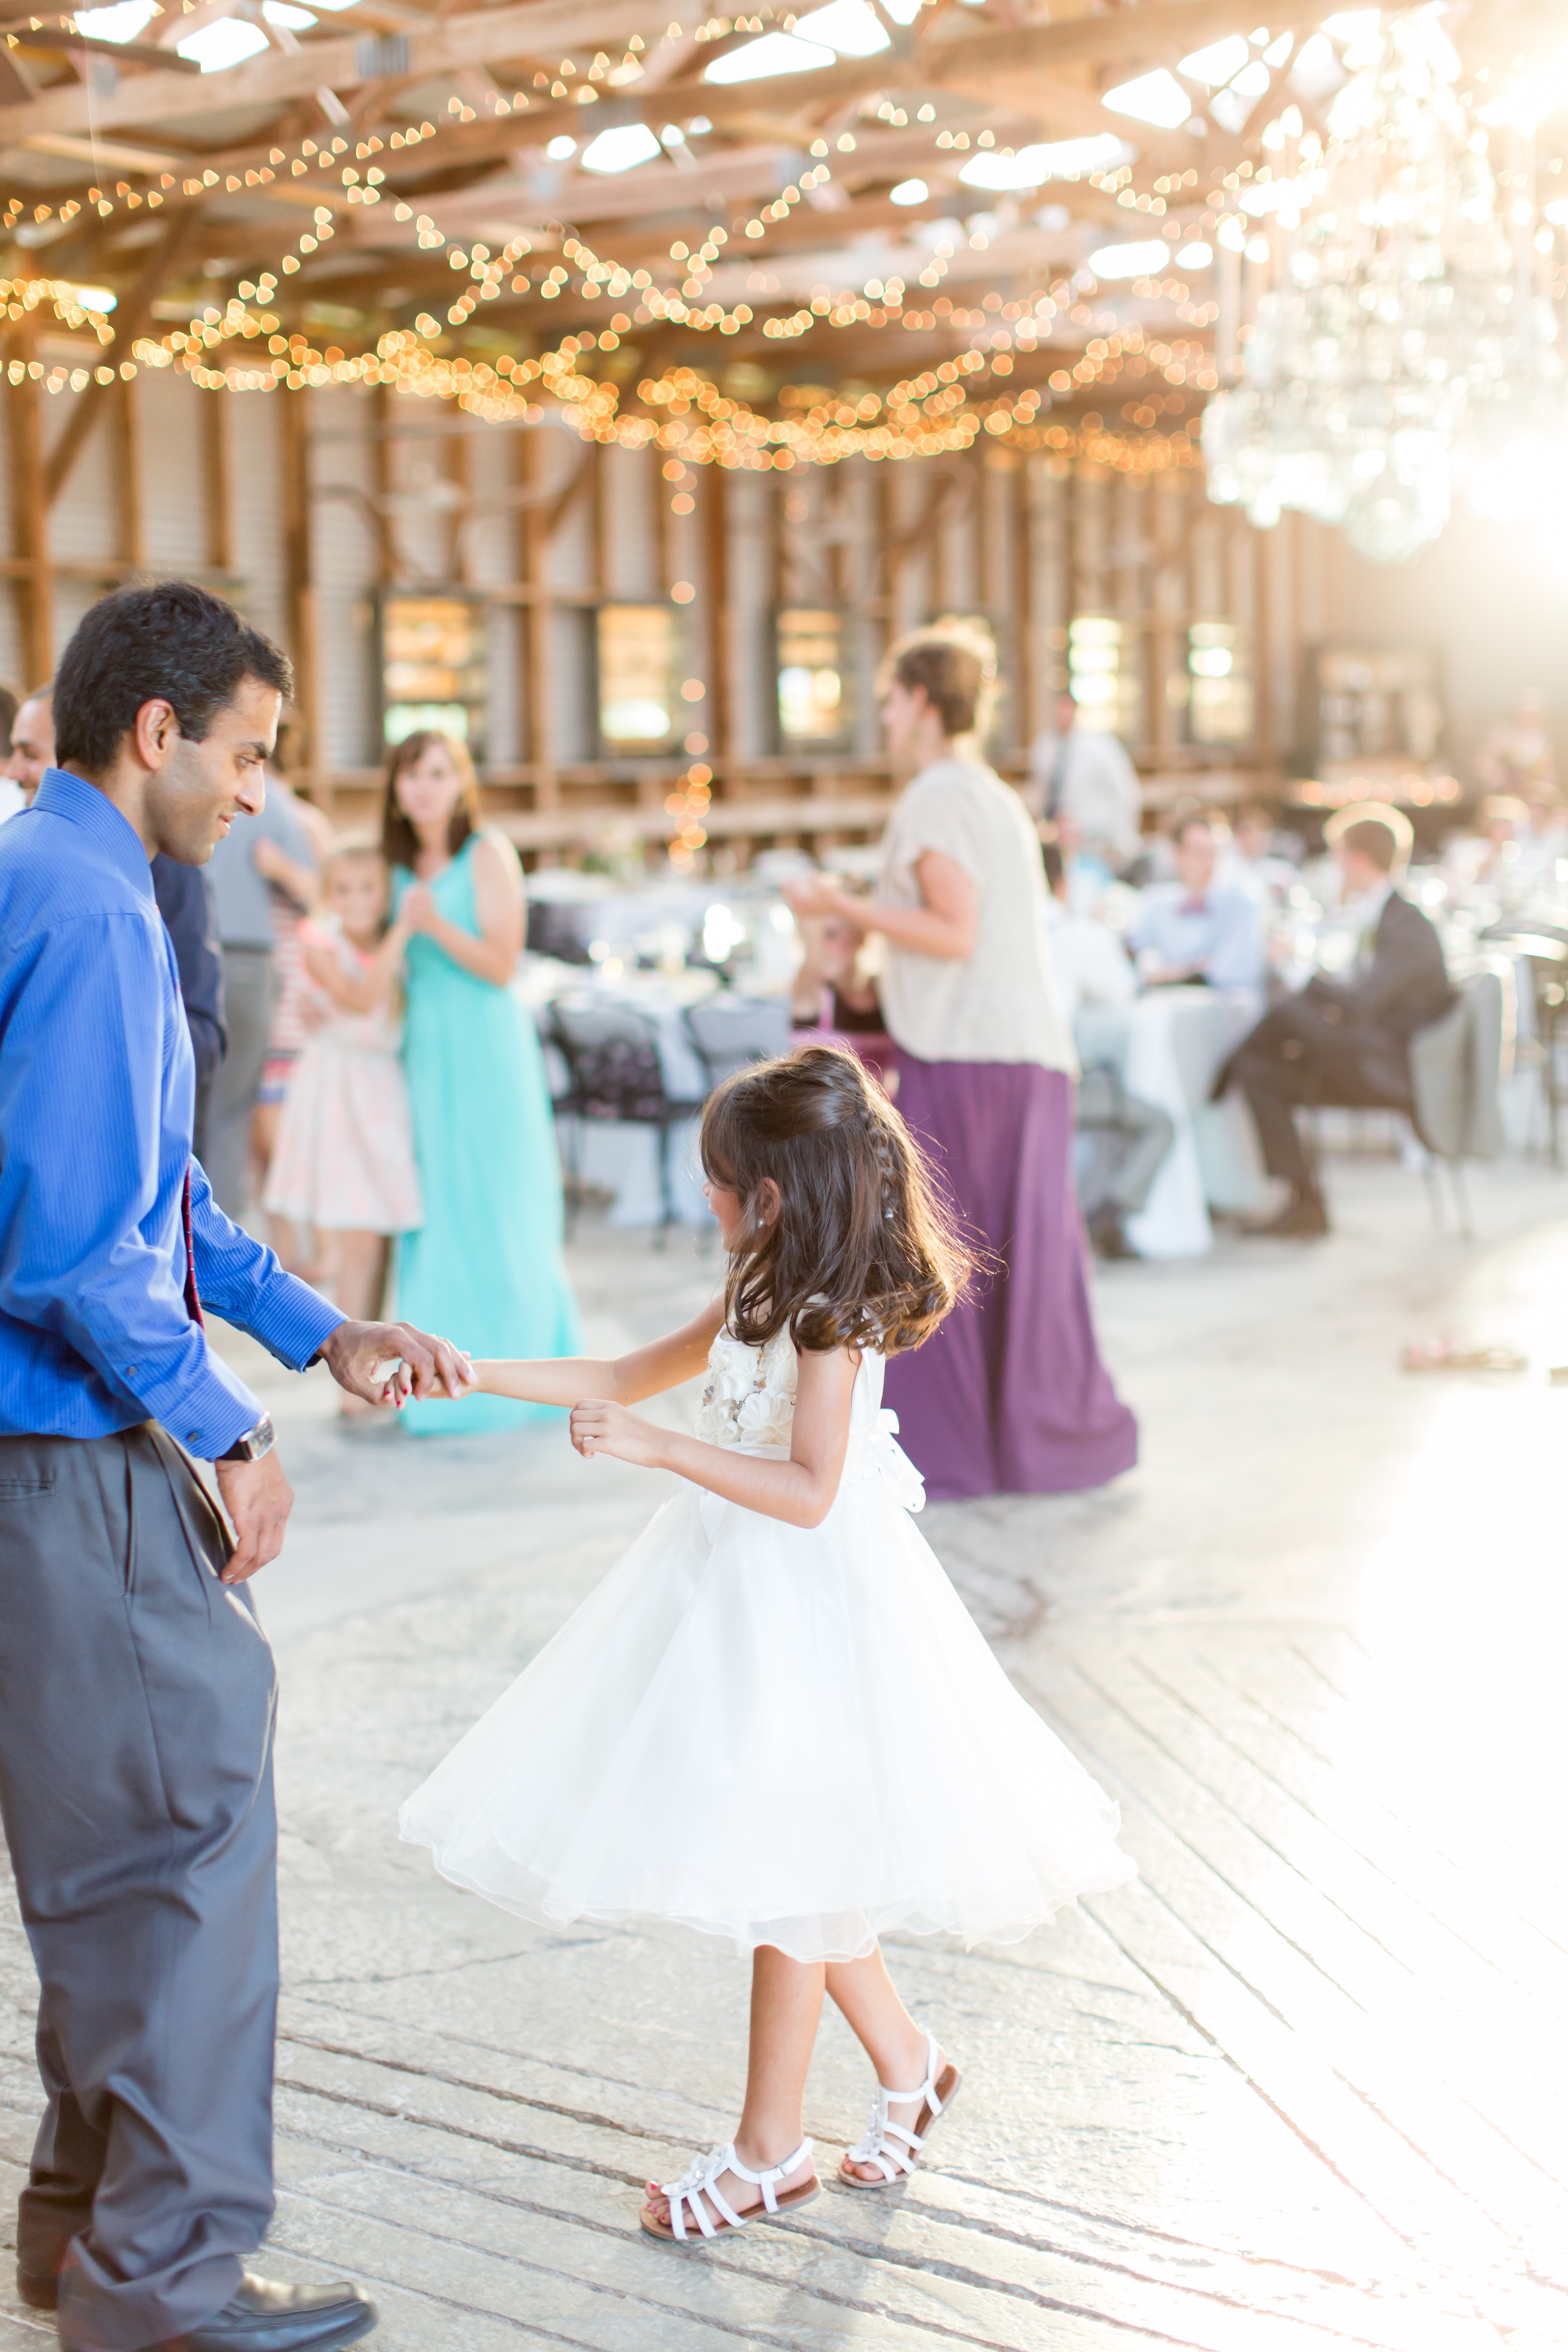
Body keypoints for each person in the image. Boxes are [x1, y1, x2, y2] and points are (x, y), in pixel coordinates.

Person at [401, 1046, 1136, 2241]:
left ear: (777, 1195)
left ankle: (768, 2150)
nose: (707, 1196)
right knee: (800, 1846)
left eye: (720, 1179)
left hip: (812, 1600)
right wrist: (469, 1371)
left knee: (788, 1853)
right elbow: (625, 1368)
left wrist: (660, 1449)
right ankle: (908, 2063)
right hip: (730, 1588)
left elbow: (807, 1488)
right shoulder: (752, 1283)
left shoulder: (829, 1317)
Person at [0, 580, 470, 2352]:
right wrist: (229, 1425)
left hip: (41, 1454)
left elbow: (160, 1190)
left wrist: (313, 1319)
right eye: (248, 752)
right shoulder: (96, 909)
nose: (254, 793)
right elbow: (69, 1238)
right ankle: (165, 2280)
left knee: (106, 1853)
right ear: (156, 732)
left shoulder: (58, 876)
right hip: (70, 1456)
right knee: (184, 1835)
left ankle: (78, 2234)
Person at [785, 627, 1137, 1500]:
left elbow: (953, 931)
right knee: (1010, 1254)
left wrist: (840, 904)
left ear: (922, 700)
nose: (883, 716)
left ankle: (946, 1449)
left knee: (941, 1259)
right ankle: (1028, 1444)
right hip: (1016, 1052)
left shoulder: (937, 796)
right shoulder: (987, 793)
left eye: (890, 699)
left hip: (972, 1057)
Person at [384, 728, 579, 1433]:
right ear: (396, 790)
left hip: (488, 1045)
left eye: (438, 772)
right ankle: (439, 1376)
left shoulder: (486, 853)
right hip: (427, 1047)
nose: (424, 786)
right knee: (440, 1203)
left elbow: (503, 963)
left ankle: (521, 1370)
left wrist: (432, 924)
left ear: (460, 783)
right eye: (411, 774)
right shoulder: (396, 868)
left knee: (504, 1200)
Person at [1, 680, 227, 1138]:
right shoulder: (24, 859)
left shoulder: (166, 868)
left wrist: (119, 1074)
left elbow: (202, 1026)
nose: (13, 769)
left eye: (30, 752)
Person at [1216, 808, 1453, 1237]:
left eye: (1338, 855)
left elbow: (1360, 1004)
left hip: (1390, 1064)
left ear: (1359, 860)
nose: (1334, 866)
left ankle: (1217, 1079)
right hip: (1365, 1050)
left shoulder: (1408, 924)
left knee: (1286, 1012)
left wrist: (1302, 974)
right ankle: (1305, 1203)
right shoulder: (1383, 915)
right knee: (1261, 1075)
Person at [261, 845, 423, 1386]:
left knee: (377, 1235)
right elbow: (358, 999)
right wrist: (402, 933)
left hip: (381, 1088)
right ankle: (354, 1379)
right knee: (356, 1234)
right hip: (341, 1091)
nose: (355, 901)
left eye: (368, 889)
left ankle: (377, 1364)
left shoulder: (391, 946)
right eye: (344, 889)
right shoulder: (321, 942)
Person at [1042, 842, 1174, 1262]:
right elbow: (1121, 993)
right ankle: (1110, 1214)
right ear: (1063, 883)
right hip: (1052, 1084)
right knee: (1161, 1124)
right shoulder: (1077, 933)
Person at [203, 750, 319, 1217]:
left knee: (200, 1110)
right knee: (230, 1116)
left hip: (195, 957)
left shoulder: (192, 790)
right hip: (249, 966)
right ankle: (213, 1247)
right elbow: (315, 893)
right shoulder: (272, 803)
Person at [1128, 815, 1265, 993]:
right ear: (1177, 856)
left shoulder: (1238, 904)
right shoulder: (1155, 902)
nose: (1209, 865)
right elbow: (1134, 960)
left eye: (1213, 854)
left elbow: (1229, 974)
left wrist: (1174, 973)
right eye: (1200, 854)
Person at [1025, 687, 1142, 871]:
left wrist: (1121, 842)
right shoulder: (1044, 747)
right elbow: (1040, 794)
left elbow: (1125, 793)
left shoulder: (1101, 747)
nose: (1062, 713)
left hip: (1095, 843)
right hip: (1056, 841)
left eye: (1067, 707)